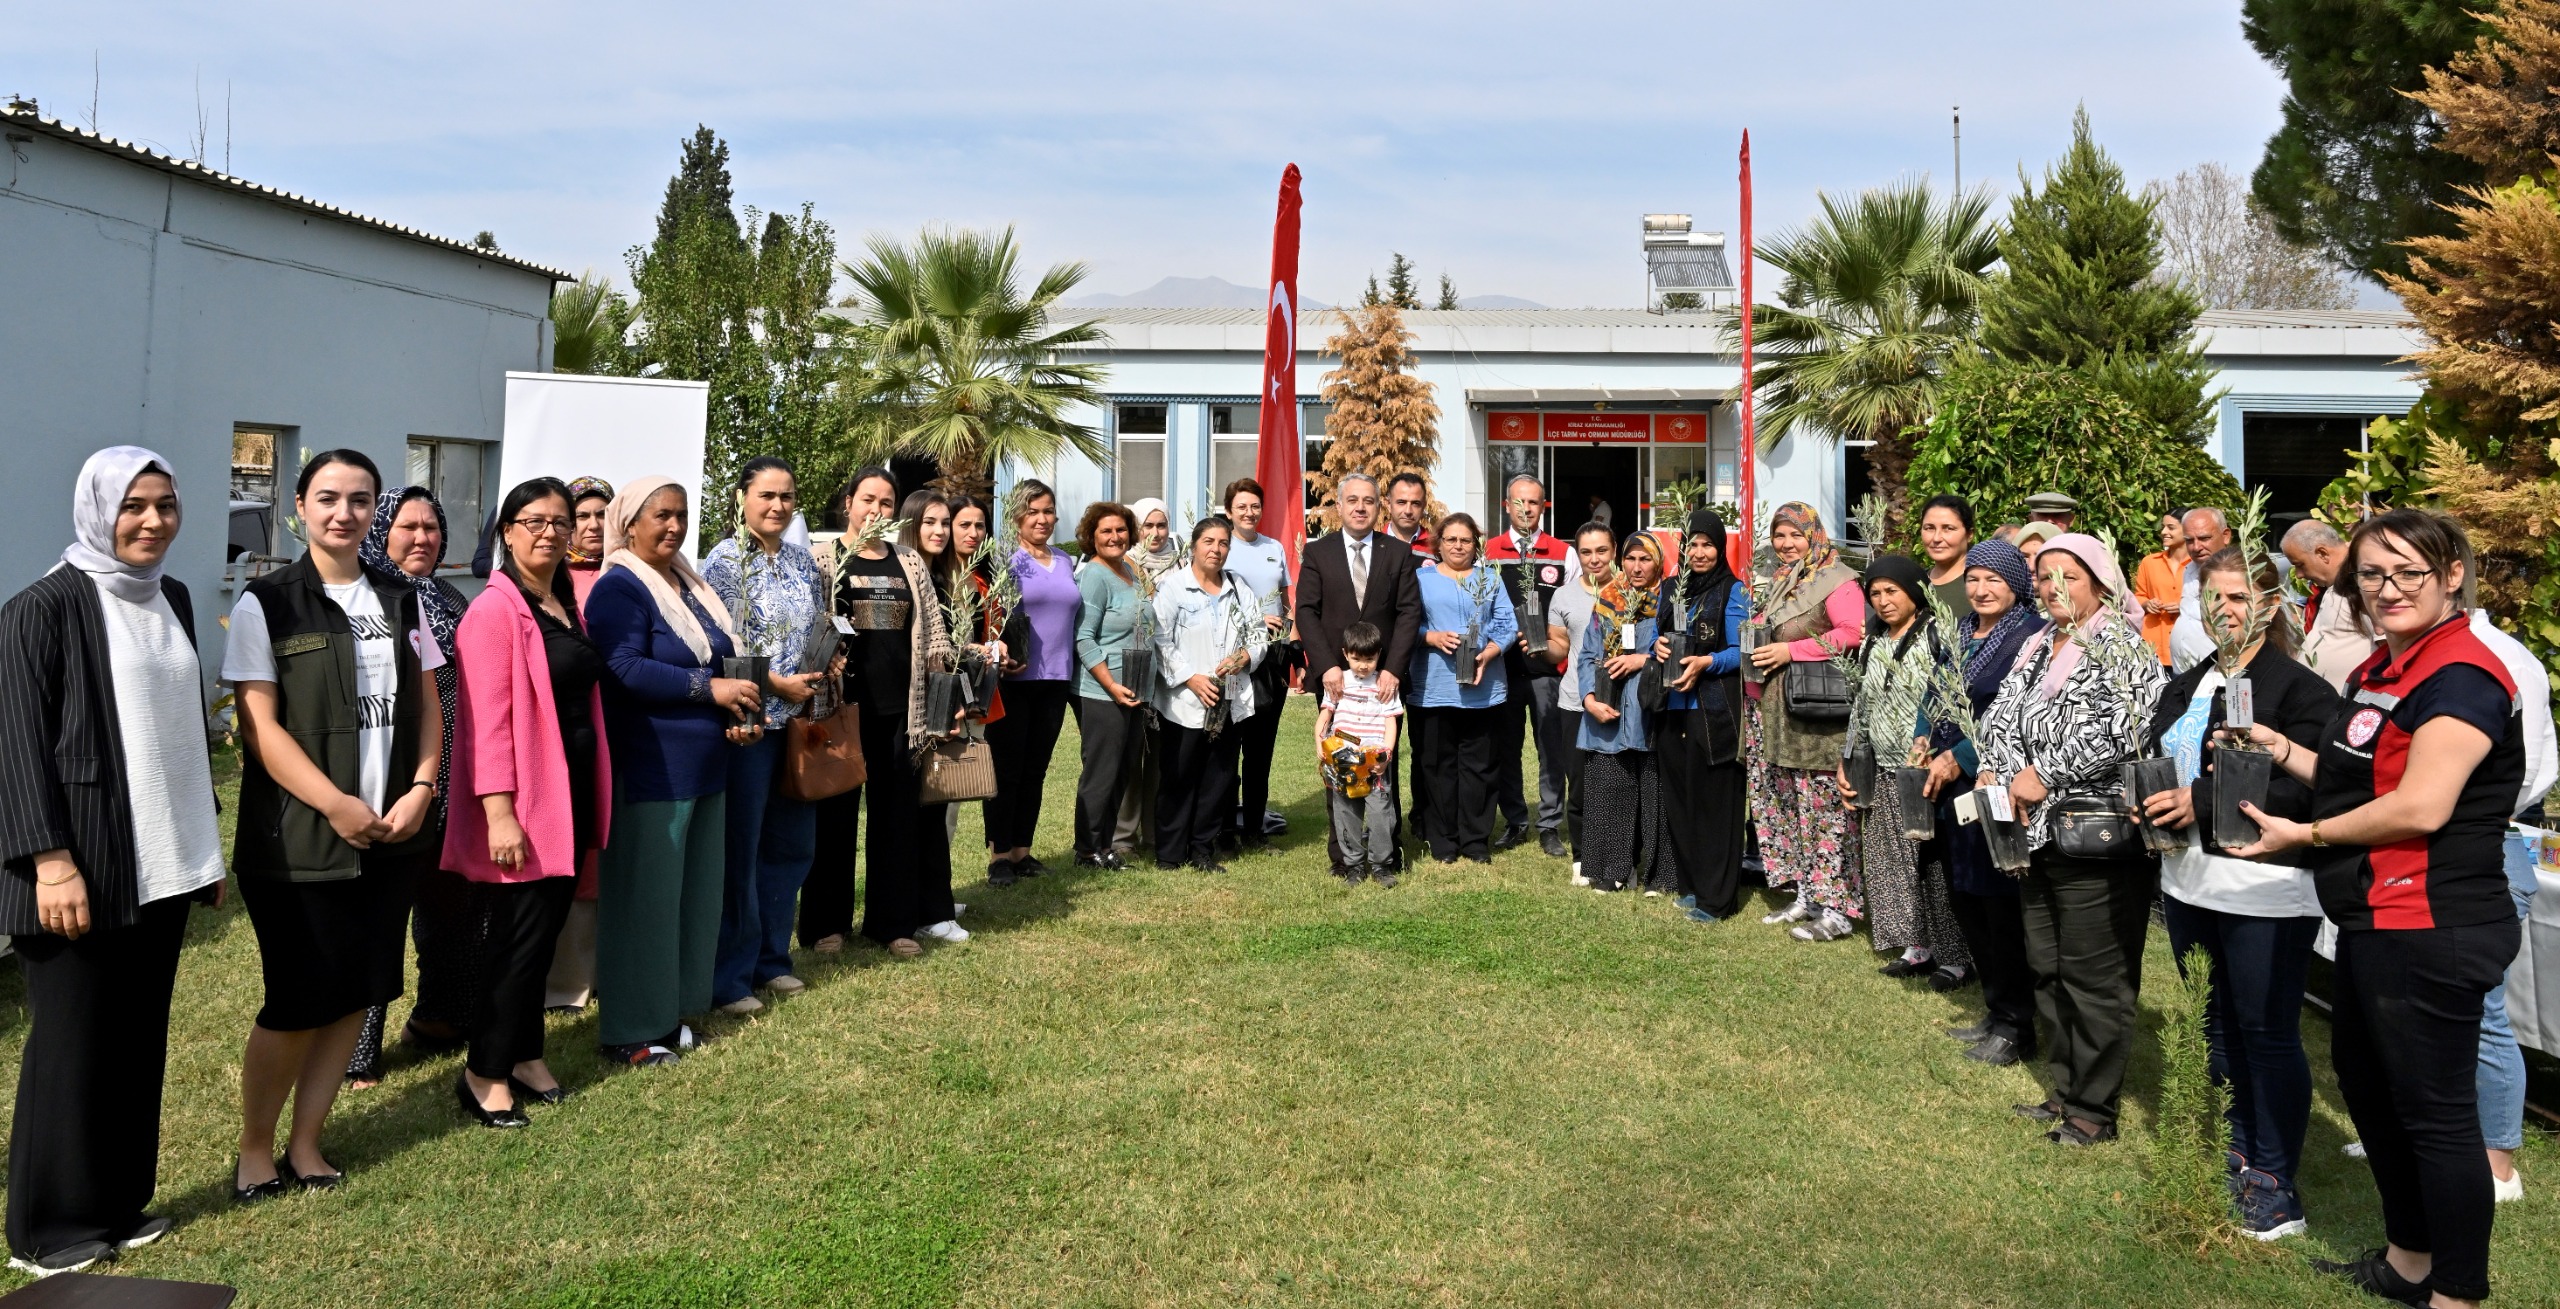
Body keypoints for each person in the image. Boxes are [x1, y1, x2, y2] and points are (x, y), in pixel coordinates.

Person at [2225, 510, 2527, 1308]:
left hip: (2434, 921)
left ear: (2451, 574)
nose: (2387, 589)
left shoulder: (2463, 677)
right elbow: (2351, 769)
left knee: (2434, 1113)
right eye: (2371, 574)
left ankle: (2457, 1293)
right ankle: (2409, 1261)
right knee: (2370, 1086)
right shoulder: (2383, 670)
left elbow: (2421, 806)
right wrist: (2278, 747)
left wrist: (2308, 830)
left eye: (2407, 574)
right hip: (2372, 919)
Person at [0, 449, 224, 1273]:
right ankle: (48, 1227)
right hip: (77, 867)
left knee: (136, 1039)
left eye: (166, 504)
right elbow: (16, 748)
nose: (154, 521)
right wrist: (49, 861)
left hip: (160, 862)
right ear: (97, 509)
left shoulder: (174, 598)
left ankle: (118, 1203)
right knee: (71, 1045)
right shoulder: (41, 607)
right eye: (134, 505)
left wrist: (203, 847)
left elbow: (179, 730)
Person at [224, 449, 445, 1197]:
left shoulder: (401, 596)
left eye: (358, 499)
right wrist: (334, 802)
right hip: (299, 841)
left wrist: (421, 786)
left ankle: (308, 1142)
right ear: (299, 505)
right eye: (328, 497)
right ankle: (257, 1149)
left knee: (357, 991)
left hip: (391, 834)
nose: (343, 512)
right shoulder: (269, 601)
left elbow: (429, 705)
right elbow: (262, 728)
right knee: (296, 999)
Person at [2136, 545, 2337, 1238]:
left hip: (2263, 886)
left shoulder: (2299, 690)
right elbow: (2161, 754)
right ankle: (2239, 1146)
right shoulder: (2190, 677)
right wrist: (2152, 797)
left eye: (2238, 598)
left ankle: (2276, 1179)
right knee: (2217, 1024)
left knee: (2267, 1029)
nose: (2224, 610)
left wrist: (2195, 795)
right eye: (2211, 598)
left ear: (2270, 606)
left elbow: (2309, 785)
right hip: (2191, 881)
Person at [1976, 532, 2161, 1147]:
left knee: (2095, 975)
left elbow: (2123, 730)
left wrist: (2044, 774)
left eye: (2070, 578)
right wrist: (1995, 770)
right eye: (2046, 576)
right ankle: (2066, 1088)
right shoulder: (2035, 643)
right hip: (2033, 833)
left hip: (2092, 836)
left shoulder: (2121, 647)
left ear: (2100, 584)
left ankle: (2093, 1110)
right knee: (2048, 968)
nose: (2054, 588)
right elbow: (2001, 714)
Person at [442, 478, 611, 1127]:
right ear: (506, 531)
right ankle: (483, 1071)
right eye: (533, 521)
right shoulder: (493, 611)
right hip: (526, 804)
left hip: (568, 794)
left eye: (559, 522)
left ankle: (524, 1052)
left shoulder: (562, 600)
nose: (549, 532)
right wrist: (500, 811)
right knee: (515, 942)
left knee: (541, 939)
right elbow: (488, 721)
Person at [585, 477, 758, 1065]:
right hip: (652, 769)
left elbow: (718, 656)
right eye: (661, 515)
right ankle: (631, 1031)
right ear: (629, 522)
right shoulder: (620, 588)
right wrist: (708, 689)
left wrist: (734, 707)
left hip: (706, 766)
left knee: (691, 899)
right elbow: (625, 668)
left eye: (682, 515)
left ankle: (670, 1015)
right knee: (646, 903)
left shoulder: (686, 582)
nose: (675, 526)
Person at [345, 485, 473, 1088]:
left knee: (451, 912)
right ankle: (357, 1050)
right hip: (389, 783)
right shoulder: (363, 599)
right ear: (381, 533)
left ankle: (441, 1019)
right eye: (408, 526)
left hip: (454, 782)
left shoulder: (450, 597)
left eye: (432, 526)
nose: (423, 538)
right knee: (380, 918)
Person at [703, 457, 831, 1014]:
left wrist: (825, 663)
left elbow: (818, 626)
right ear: (742, 498)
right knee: (742, 849)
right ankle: (731, 976)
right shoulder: (725, 562)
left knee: (791, 844)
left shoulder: (806, 562)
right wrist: (777, 683)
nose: (778, 505)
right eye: (766, 495)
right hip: (751, 724)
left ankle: (772, 960)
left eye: (787, 496)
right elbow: (722, 648)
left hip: (800, 726)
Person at [1919, 540, 2049, 1066]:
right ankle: (1996, 1011)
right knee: (1966, 894)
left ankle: (2018, 1023)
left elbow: (2010, 713)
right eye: (1973, 579)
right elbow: (1936, 694)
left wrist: (1960, 757)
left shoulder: (2029, 637)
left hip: (1992, 779)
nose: (1981, 589)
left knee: (1999, 903)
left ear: (2015, 582)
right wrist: (1921, 738)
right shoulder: (1960, 634)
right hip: (1948, 786)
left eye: (1993, 579)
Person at [837, 472, 964, 954]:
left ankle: (892, 925)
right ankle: (828, 924)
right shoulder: (826, 559)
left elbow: (935, 634)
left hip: (901, 712)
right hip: (844, 711)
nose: (876, 509)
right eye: (868, 499)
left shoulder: (908, 561)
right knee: (837, 818)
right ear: (849, 502)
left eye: (886, 502)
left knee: (896, 820)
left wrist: (943, 695)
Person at [1845, 554, 1972, 981]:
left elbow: (1952, 699)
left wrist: (1936, 750)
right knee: (1891, 862)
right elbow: (1861, 703)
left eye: (1891, 591)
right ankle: (1916, 947)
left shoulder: (1939, 634)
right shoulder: (1873, 639)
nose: (1883, 601)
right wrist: (1849, 757)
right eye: (1875, 593)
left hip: (1922, 767)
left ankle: (1955, 956)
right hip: (1880, 767)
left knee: (1932, 862)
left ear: (1915, 591)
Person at [1294, 473, 1426, 867]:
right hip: (1337, 681)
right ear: (1339, 505)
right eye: (1352, 500)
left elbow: (1408, 614)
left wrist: (1393, 670)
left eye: (1368, 500)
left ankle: (1388, 850)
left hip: (1383, 681)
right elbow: (1306, 612)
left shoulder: (1397, 552)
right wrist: (1326, 667)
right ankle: (1344, 853)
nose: (1360, 507)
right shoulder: (1319, 552)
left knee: (1384, 761)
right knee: (1340, 762)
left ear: (1378, 506)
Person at [1749, 502, 1864, 940]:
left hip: (1818, 718)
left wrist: (1790, 651)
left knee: (1825, 810)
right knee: (1792, 808)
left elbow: (1852, 633)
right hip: (1779, 713)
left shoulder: (1837, 579)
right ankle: (1808, 894)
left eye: (1795, 535)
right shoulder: (1782, 582)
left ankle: (1838, 909)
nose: (1786, 544)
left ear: (1813, 534)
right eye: (1779, 535)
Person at [1149, 517, 1270, 872]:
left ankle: (1203, 849)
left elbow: (1258, 632)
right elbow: (1159, 637)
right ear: (1194, 546)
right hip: (1185, 701)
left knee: (1218, 778)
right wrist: (1190, 678)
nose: (1216, 549)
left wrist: (1246, 656)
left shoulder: (1238, 587)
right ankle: (1170, 854)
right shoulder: (1173, 588)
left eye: (1223, 543)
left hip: (1228, 699)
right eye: (1209, 542)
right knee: (1178, 776)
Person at [1652, 510, 1750, 921]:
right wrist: (1659, 647)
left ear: (1720, 546)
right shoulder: (1672, 587)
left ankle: (1717, 898)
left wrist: (1706, 661)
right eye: (1693, 543)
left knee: (1714, 804)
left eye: (1708, 543)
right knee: (1681, 800)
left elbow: (1741, 650)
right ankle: (1692, 884)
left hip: (1712, 713)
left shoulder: (1733, 590)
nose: (1700, 552)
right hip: (1671, 710)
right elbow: (1659, 633)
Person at [1409, 513, 1521, 864]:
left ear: (1476, 544)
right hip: (1434, 687)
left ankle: (1475, 840)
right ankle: (1443, 840)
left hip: (1482, 688)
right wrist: (1430, 636)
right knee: (1437, 765)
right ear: (1438, 543)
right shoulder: (1420, 579)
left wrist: (1489, 652)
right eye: (1451, 539)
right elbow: (1406, 623)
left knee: (1481, 766)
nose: (1458, 546)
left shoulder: (1490, 578)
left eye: (1466, 540)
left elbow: (1506, 623)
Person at [544, 476, 615, 1011]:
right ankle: (567, 980)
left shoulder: (626, 576)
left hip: (623, 735)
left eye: (601, 516)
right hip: (571, 733)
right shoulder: (552, 585)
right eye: (582, 516)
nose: (592, 527)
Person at [1483, 474, 1579, 856]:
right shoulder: (1487, 550)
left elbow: (1573, 613)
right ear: (1506, 505)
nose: (1526, 509)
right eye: (1519, 502)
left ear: (1544, 507)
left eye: (1534, 503)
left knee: (1550, 749)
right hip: (1501, 672)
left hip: (1547, 674)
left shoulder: (1563, 553)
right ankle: (1516, 820)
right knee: (1505, 748)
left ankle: (1550, 824)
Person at [987, 480, 1077, 883]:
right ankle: (999, 855)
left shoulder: (1064, 560)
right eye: (1033, 511)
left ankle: (1023, 851)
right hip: (1015, 679)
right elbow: (988, 615)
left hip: (1056, 677)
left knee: (1036, 768)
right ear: (1018, 516)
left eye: (1048, 511)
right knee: (1007, 769)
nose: (1042, 519)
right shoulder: (1004, 559)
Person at [1575, 531, 1671, 893]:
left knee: (1655, 796)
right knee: (1608, 788)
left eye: (1644, 559)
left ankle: (1660, 875)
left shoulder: (1668, 602)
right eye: (1630, 559)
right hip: (1608, 711)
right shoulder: (1608, 601)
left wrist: (1641, 658)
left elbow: (1676, 650)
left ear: (1657, 561)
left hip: (1650, 714)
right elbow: (1586, 655)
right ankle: (1610, 870)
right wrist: (1588, 699)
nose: (1636, 566)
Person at [1072, 501, 1148, 869]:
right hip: (1102, 691)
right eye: (1106, 531)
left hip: (1134, 688)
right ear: (1092, 536)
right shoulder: (1094, 575)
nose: (1115, 537)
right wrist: (1111, 685)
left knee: (1122, 770)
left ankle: (1106, 846)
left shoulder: (1129, 569)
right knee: (1101, 772)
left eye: (1120, 530)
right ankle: (1087, 850)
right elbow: (1084, 638)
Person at [1219, 479, 1292, 854]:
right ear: (1228, 510)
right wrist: (1255, 621)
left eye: (1255, 506)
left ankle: (1254, 831)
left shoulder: (1274, 547)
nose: (1249, 513)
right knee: (1229, 748)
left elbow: (1283, 600)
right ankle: (1226, 830)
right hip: (1232, 661)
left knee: (1261, 752)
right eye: (1242, 506)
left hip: (1271, 664)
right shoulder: (1219, 547)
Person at [1546, 522, 1617, 881]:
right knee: (1579, 782)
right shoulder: (1563, 596)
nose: (1594, 559)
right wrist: (1542, 649)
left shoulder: (1631, 591)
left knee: (1620, 781)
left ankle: (1620, 856)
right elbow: (1561, 646)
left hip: (1621, 701)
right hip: (1575, 700)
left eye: (1601, 551)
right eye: (1586, 552)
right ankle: (1582, 857)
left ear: (1613, 550)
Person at [1315, 621, 1404, 886]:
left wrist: (1386, 754)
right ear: (1345, 654)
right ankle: (1353, 865)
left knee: (1380, 814)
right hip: (1343, 762)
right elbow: (1324, 715)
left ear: (1378, 654)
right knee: (1346, 814)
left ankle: (1381, 865)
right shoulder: (1338, 681)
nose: (1363, 665)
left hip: (1373, 763)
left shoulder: (1384, 685)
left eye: (1370, 659)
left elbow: (1391, 722)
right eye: (1356, 659)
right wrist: (1319, 742)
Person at [2282, 518, 2375, 691]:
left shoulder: (2361, 583)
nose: (2300, 575)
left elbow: (2388, 647)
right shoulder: (2336, 585)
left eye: (2300, 565)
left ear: (2323, 553)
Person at [2169, 506, 2236, 672]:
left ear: (2225, 535)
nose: (2196, 547)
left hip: (2223, 674)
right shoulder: (2189, 570)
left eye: (2204, 538)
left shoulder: (2239, 575)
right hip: (2185, 674)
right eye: (2189, 541)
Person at [2133, 510, 2186, 667]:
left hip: (2186, 647)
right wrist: (2146, 604)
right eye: (2163, 527)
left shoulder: (2201, 565)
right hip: (2153, 647)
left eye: (2171, 527)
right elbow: (2138, 596)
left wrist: (2184, 607)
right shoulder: (2149, 562)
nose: (2164, 532)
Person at [1916, 495, 1976, 618]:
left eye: (1948, 528)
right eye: (1929, 528)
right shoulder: (1915, 584)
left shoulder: (1980, 585)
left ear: (1969, 534)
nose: (1936, 538)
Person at [1384, 472, 1436, 556]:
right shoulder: (1372, 544)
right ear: (1388, 504)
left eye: (1415, 503)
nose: (1408, 511)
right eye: (1401, 502)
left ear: (1423, 506)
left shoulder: (1437, 549)